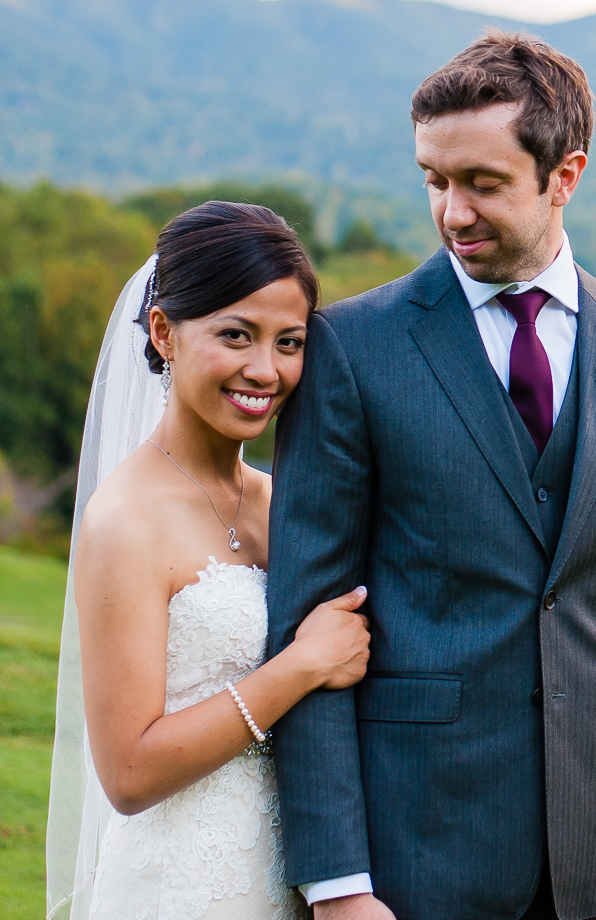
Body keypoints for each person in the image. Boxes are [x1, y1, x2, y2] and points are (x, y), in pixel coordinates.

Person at [266, 32, 596, 920]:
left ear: (566, 174)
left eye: (483, 183)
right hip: (412, 866)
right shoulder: (352, 349)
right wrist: (337, 886)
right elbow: (306, 620)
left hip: (595, 871)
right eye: (434, 181)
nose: (452, 212)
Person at [47, 202, 374, 920]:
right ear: (164, 331)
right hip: (178, 888)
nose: (266, 369)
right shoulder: (125, 519)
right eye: (236, 335)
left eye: (289, 343)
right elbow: (129, 772)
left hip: (293, 878)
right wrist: (301, 667)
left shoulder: (282, 500)